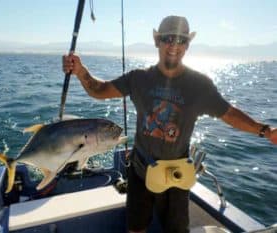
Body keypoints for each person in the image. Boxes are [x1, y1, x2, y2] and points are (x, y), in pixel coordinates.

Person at [63, 15, 277, 233]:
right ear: (157, 41)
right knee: (136, 228)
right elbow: (100, 90)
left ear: (188, 45)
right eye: (168, 39)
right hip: (140, 172)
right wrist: (81, 72)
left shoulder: (199, 85)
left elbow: (229, 113)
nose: (175, 45)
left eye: (182, 40)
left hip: (176, 176)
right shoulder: (138, 78)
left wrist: (265, 131)